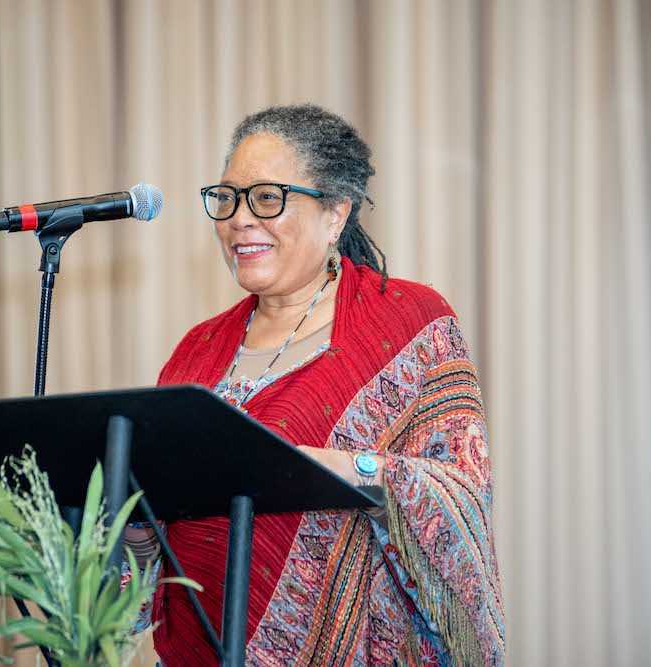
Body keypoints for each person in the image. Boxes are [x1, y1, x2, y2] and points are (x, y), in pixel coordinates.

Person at [149, 104, 505, 665]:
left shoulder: (407, 322)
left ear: (335, 213)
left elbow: (462, 492)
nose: (239, 219)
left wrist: (338, 468)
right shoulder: (195, 351)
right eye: (226, 199)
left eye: (267, 197)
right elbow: (151, 549)